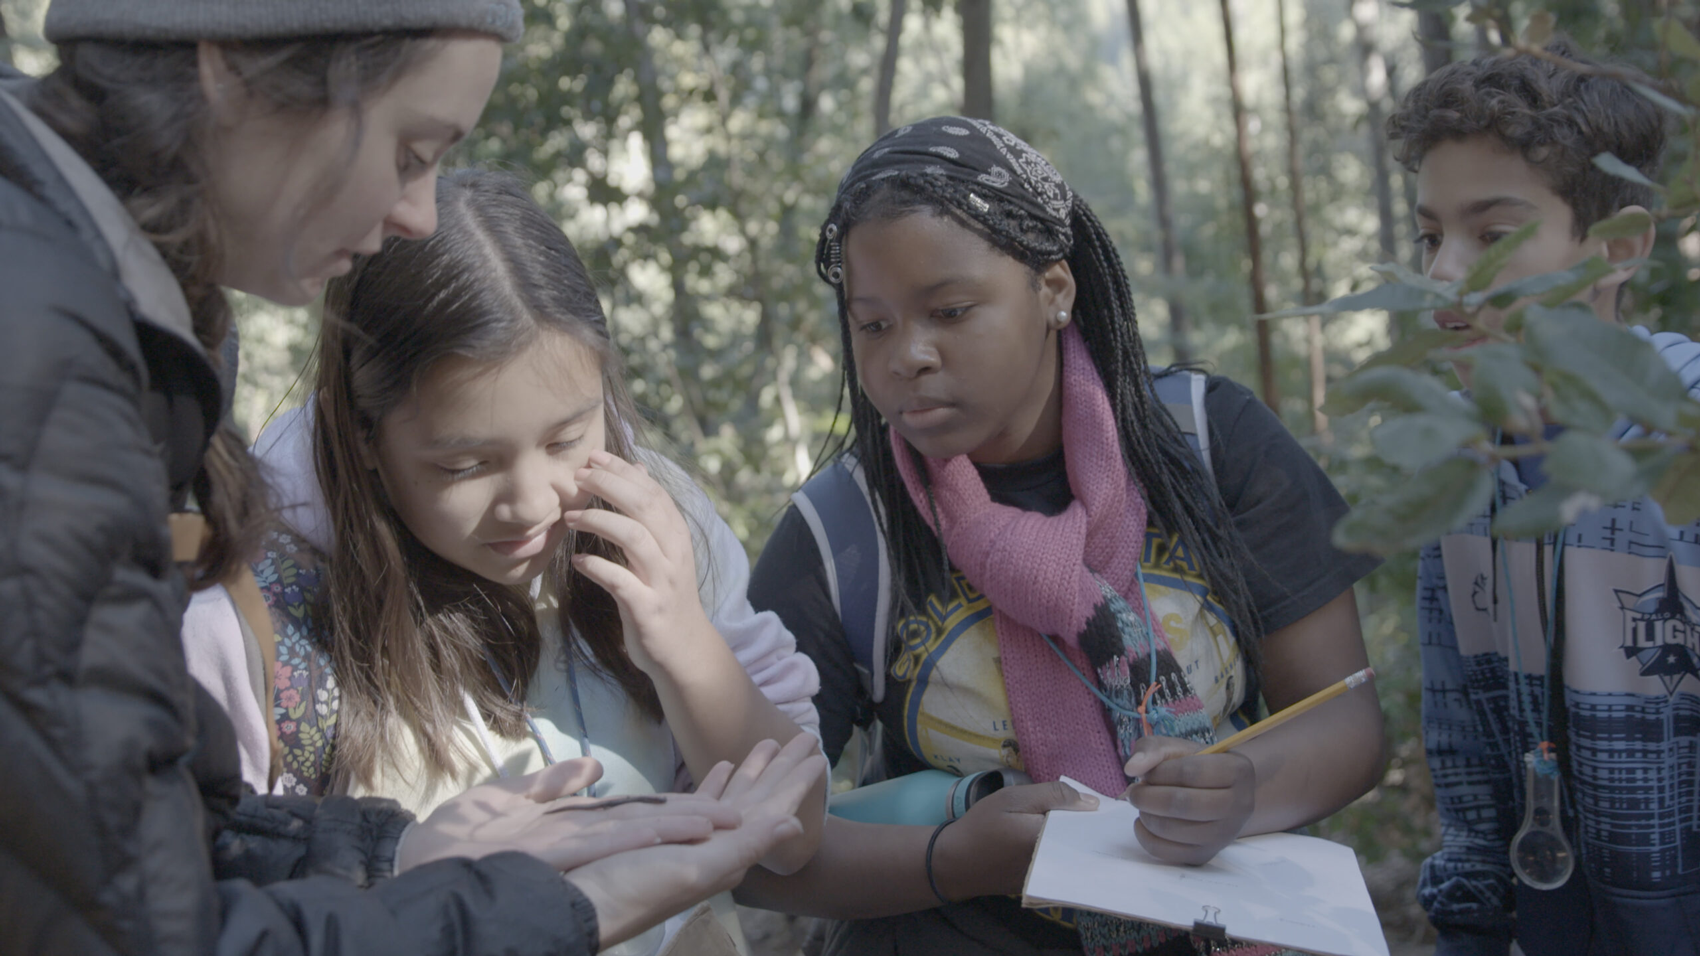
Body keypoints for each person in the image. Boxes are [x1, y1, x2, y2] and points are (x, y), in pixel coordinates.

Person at [0, 2, 825, 954]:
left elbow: (125, 854)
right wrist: (554, 912)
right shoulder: (43, 362)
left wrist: (385, 857)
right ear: (234, 65)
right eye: (409, 150)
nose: (416, 214)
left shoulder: (112, 327)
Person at [738, 116, 1387, 955]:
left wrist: (1243, 791)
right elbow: (752, 846)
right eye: (873, 325)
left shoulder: (1209, 445)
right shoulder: (840, 533)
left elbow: (1348, 720)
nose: (909, 355)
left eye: (951, 310)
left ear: (1053, 289)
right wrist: (953, 860)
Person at [185, 166, 828, 953]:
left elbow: (794, 838)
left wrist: (683, 642)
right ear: (364, 439)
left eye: (566, 439)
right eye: (465, 466)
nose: (530, 502)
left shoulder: (656, 520)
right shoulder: (260, 625)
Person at [1388, 43, 1700, 956]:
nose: (1444, 274)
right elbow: (1461, 739)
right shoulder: (1457, 467)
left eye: (1493, 235)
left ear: (1619, 247)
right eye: (1430, 235)